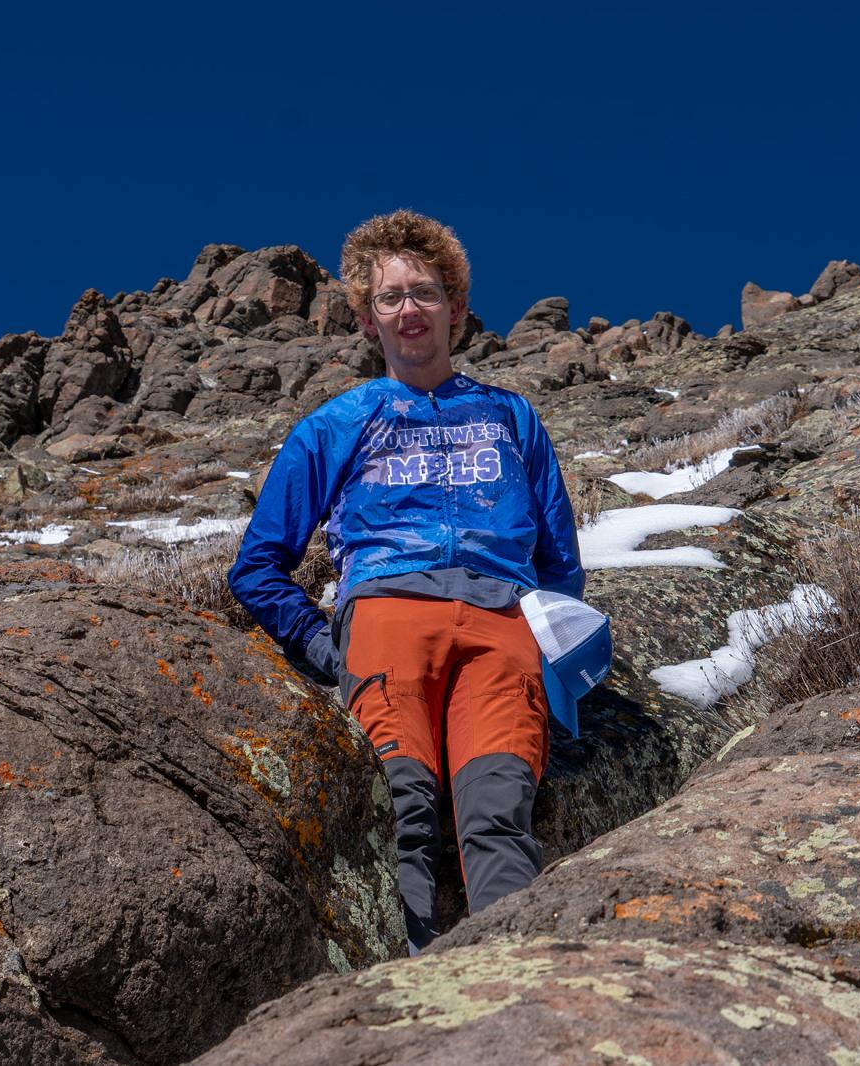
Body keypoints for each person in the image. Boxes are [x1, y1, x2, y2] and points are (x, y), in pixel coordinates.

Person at [227, 209, 584, 953]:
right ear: (366, 320)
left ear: (455, 308)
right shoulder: (338, 423)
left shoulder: (512, 418)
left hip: (504, 628)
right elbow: (258, 566)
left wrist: (554, 646)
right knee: (403, 809)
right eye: (388, 298)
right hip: (387, 616)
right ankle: (411, 1007)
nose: (407, 310)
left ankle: (508, 988)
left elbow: (560, 563)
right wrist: (324, 649)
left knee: (497, 814)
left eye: (423, 292)